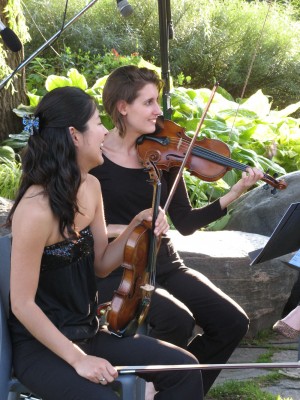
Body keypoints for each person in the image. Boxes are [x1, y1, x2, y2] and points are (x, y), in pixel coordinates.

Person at [6, 86, 204, 400]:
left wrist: (136, 226)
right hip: (40, 347)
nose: (104, 131)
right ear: (74, 134)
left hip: (89, 331)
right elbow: (22, 304)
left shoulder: (91, 186)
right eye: (98, 123)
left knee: (185, 370)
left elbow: (100, 265)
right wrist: (78, 359)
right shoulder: (34, 209)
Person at [89, 65, 265, 396]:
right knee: (177, 320)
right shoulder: (95, 158)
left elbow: (184, 223)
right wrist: (130, 226)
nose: (159, 110)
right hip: (119, 267)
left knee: (232, 322)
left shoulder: (162, 153)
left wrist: (234, 192)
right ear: (123, 107)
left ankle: (175, 389)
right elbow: (81, 225)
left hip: (166, 264)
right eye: (149, 102)